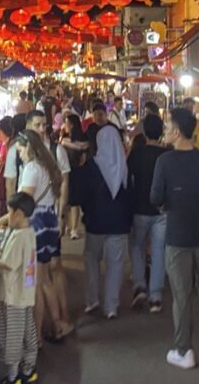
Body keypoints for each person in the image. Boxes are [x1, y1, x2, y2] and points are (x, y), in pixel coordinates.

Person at [150, 107, 199, 369]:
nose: (165, 130)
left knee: (182, 294)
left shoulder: (164, 162)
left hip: (178, 234)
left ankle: (184, 350)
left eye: (168, 125)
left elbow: (155, 197)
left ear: (178, 131)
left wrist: (170, 203)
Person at [15, 130, 73, 341]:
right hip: (49, 222)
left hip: (37, 224)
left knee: (37, 283)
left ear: (28, 147)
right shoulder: (47, 166)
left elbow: (24, 201)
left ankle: (36, 336)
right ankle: (58, 324)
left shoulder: (32, 168)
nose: (19, 155)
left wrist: (2, 221)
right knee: (45, 279)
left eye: (20, 150)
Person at [76, 124, 133, 319]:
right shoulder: (124, 166)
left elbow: (81, 195)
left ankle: (92, 300)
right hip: (118, 223)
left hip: (95, 223)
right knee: (115, 264)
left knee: (92, 260)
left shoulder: (90, 166)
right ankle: (111, 306)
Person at [0, 191, 39, 384]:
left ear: (18, 214)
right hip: (26, 293)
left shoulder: (18, 236)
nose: (8, 215)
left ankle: (12, 378)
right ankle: (28, 370)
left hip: (13, 295)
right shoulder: (29, 233)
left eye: (10, 212)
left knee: (11, 334)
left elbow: (9, 263)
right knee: (28, 332)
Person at [127, 113, 169, 312]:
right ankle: (156, 296)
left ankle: (139, 286)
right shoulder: (166, 155)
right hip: (161, 210)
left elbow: (128, 180)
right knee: (159, 251)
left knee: (136, 246)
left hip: (139, 207)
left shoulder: (137, 154)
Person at [60, 112, 89, 239]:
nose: (64, 125)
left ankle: (72, 228)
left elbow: (82, 148)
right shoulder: (69, 138)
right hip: (72, 171)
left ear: (71, 125)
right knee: (68, 201)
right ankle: (69, 227)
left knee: (72, 201)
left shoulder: (66, 139)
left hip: (73, 171)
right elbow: (82, 147)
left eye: (66, 123)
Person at [0, 117, 15, 218]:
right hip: (1, 184)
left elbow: (3, 164)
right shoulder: (4, 144)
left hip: (4, 185)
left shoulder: (11, 147)